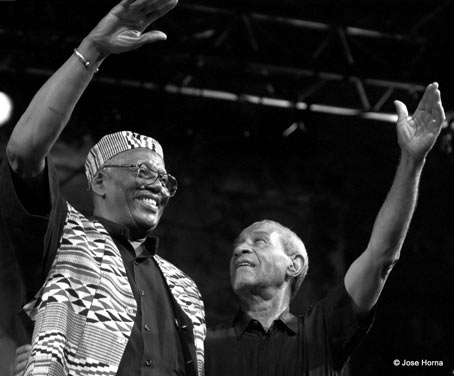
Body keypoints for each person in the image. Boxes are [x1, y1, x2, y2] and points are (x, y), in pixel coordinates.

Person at [0, 1, 206, 376]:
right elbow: (23, 152)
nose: (158, 186)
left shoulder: (185, 289)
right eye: (143, 171)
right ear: (99, 180)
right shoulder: (64, 237)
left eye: (165, 180)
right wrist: (93, 49)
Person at [205, 83, 445, 375]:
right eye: (238, 245)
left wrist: (412, 161)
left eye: (260, 241)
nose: (241, 248)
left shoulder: (323, 332)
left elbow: (381, 257)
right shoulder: (203, 345)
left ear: (294, 265)